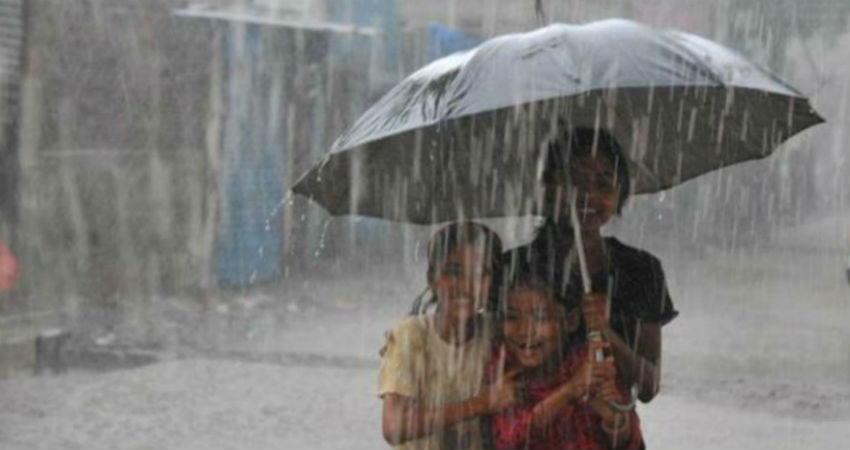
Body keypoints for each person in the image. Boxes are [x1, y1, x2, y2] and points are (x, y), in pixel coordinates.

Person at [503, 127, 678, 404]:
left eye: (603, 183)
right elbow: (498, 372)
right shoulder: (514, 268)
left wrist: (607, 334)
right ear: (549, 189)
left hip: (613, 435)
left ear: (620, 194)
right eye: (575, 181)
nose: (588, 195)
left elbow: (648, 388)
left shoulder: (642, 270)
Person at [378, 222, 519, 450]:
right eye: (454, 272)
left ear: (493, 282)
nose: (466, 285)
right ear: (432, 278)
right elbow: (394, 427)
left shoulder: (497, 333)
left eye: (480, 273)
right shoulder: (411, 336)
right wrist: (479, 404)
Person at [486, 269, 643, 449]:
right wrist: (571, 390)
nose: (525, 332)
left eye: (541, 317)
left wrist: (613, 421)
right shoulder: (501, 367)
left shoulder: (593, 363)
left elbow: (631, 443)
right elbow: (509, 440)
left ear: (571, 321)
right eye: (512, 317)